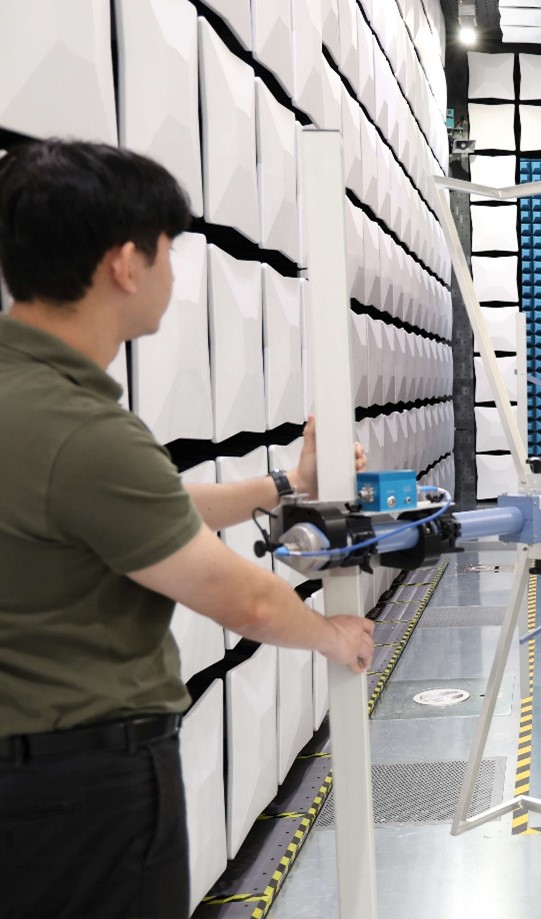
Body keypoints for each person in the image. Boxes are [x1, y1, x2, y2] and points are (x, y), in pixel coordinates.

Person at [0, 139, 375, 918]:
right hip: (82, 792)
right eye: (168, 247)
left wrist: (288, 484)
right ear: (125, 265)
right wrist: (333, 635)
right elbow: (246, 601)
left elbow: (143, 511)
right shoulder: (82, 430)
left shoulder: (27, 399)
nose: (174, 269)